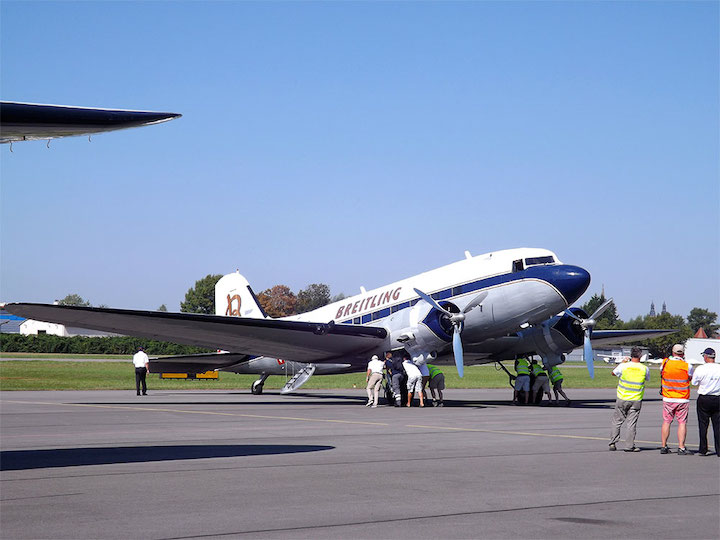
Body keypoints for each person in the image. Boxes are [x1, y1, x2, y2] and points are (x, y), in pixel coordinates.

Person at [609, 346, 650, 452]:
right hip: (636, 399)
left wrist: (622, 363)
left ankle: (613, 442)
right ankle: (629, 445)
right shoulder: (644, 368)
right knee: (631, 424)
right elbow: (647, 378)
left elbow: (613, 373)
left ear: (631, 355)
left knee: (617, 421)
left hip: (622, 397)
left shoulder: (624, 366)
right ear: (640, 355)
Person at [660, 344, 694, 454]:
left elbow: (662, 373)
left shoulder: (665, 363)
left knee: (667, 421)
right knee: (682, 422)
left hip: (668, 397)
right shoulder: (687, 365)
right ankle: (681, 447)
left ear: (673, 352)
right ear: (683, 354)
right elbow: (690, 377)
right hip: (682, 398)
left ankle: (664, 446)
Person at [691, 348, 720, 457]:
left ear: (706, 357)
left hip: (704, 398)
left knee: (703, 425)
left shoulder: (701, 369)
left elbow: (694, 382)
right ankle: (719, 450)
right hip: (717, 397)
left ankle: (703, 449)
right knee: (718, 425)